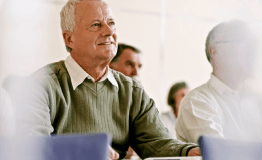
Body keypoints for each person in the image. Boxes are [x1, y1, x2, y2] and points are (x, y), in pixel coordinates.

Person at [16, 0, 200, 159]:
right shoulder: (39, 85)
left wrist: (190, 152)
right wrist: (84, 150)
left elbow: (158, 143)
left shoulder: (132, 91)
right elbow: (31, 147)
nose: (109, 31)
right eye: (96, 25)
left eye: (111, 23)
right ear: (69, 38)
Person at [175, 20, 262, 144]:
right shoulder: (197, 102)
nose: (253, 51)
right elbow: (221, 154)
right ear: (214, 51)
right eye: (243, 43)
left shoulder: (256, 99)